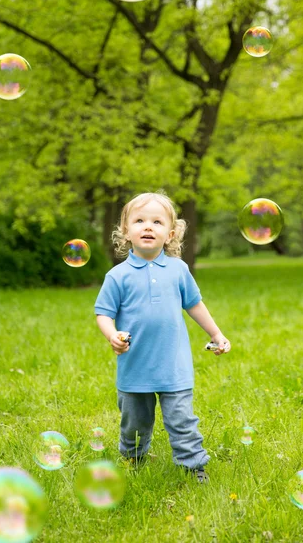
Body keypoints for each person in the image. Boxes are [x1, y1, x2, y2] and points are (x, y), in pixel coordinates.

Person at [95, 191, 231, 484]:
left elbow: (194, 304)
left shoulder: (179, 270)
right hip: (135, 367)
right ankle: (134, 459)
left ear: (169, 235)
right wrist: (112, 335)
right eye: (140, 220)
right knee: (135, 423)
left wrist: (216, 333)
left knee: (182, 420)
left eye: (157, 222)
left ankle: (194, 466)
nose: (148, 226)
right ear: (126, 232)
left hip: (174, 366)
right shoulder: (117, 276)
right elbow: (103, 313)